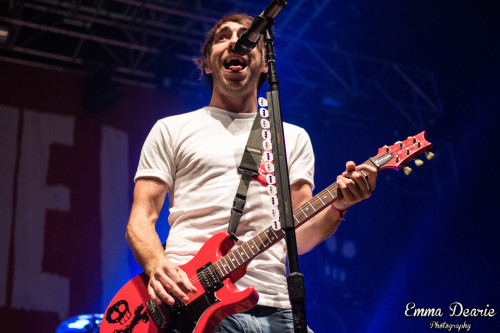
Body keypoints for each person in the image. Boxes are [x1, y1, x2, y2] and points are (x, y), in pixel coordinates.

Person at [125, 13, 377, 333]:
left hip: (277, 307)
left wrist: (340, 206)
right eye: (223, 36)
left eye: (247, 37)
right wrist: (156, 264)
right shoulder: (171, 129)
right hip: (192, 302)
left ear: (263, 64)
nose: (235, 41)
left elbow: (299, 236)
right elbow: (140, 218)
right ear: (207, 63)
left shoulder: (292, 137)